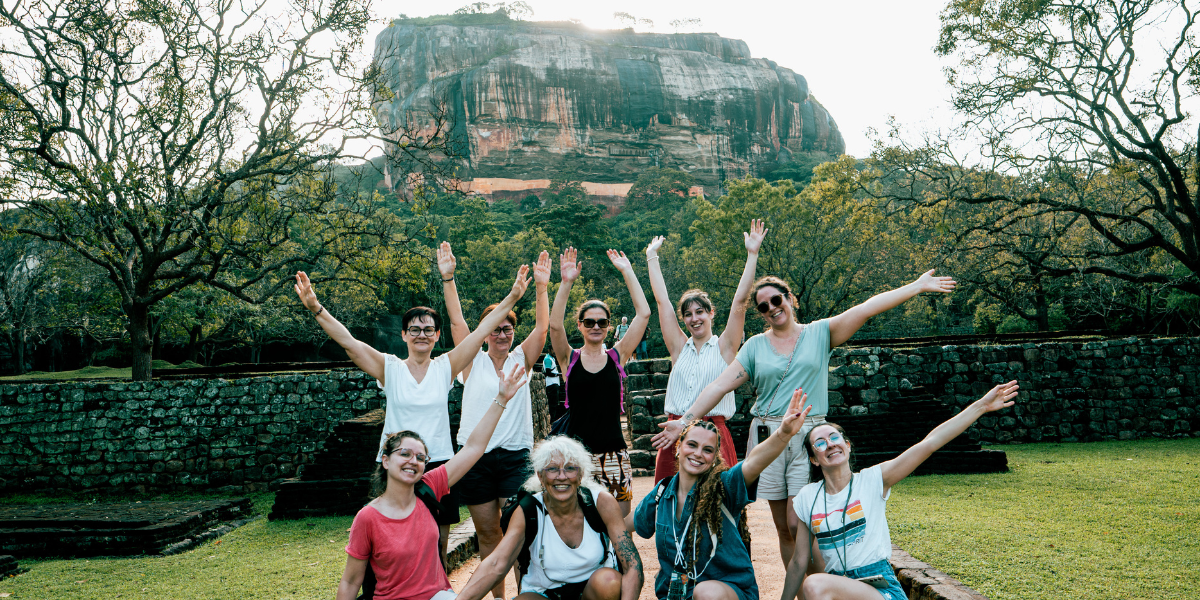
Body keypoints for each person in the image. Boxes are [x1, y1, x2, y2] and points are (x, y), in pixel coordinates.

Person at [652, 270, 957, 567]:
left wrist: (915, 287)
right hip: (768, 436)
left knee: (799, 523)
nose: (772, 308)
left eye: (776, 300)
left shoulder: (820, 333)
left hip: (808, 435)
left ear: (790, 299)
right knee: (783, 529)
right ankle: (801, 591)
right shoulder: (756, 346)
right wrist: (686, 420)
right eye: (763, 306)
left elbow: (867, 308)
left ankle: (819, 586)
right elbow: (719, 385)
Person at [294, 263, 532, 571]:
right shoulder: (389, 367)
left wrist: (513, 296)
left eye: (428, 330)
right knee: (392, 544)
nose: (422, 335)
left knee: (438, 546)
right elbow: (349, 343)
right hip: (396, 464)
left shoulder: (445, 366)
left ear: (436, 336)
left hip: (440, 465)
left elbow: (482, 332)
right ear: (404, 334)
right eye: (415, 330)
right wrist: (316, 308)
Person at [780, 381, 1019, 600]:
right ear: (814, 459)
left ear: (848, 446)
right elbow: (799, 561)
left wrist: (980, 406)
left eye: (835, 437)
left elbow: (929, 443)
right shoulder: (808, 498)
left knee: (814, 585)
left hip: (880, 589)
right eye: (820, 443)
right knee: (817, 585)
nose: (830, 444)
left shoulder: (874, 480)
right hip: (838, 586)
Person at [334, 363, 530, 600]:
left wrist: (501, 398)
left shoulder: (430, 487)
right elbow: (350, 580)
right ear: (385, 460)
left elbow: (474, 447)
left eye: (420, 457)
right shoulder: (368, 517)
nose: (413, 461)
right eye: (404, 454)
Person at [439, 242, 552, 600]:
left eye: (507, 328)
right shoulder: (472, 361)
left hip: (516, 456)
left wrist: (541, 287)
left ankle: (524, 595)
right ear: (485, 333)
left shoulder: (523, 358)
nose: (501, 334)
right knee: (489, 534)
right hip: (476, 458)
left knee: (518, 532)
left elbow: (544, 328)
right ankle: (499, 597)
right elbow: (458, 322)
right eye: (495, 329)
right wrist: (449, 279)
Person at [634, 388, 814, 600]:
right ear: (678, 447)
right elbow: (632, 524)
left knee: (706, 593)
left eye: (707, 449)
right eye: (692, 445)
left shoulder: (723, 486)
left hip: (726, 592)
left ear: (715, 457)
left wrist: (782, 434)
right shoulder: (662, 491)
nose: (698, 453)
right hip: (677, 594)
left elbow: (753, 462)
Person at [644, 219, 766, 484]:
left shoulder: (725, 347)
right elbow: (662, 303)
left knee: (717, 505)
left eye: (700, 311)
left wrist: (752, 254)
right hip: (675, 430)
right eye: (688, 314)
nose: (694, 318)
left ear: (711, 313)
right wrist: (651, 257)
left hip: (713, 431)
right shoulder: (679, 347)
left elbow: (740, 301)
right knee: (669, 502)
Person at [455, 436, 644, 600]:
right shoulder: (528, 509)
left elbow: (633, 564)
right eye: (552, 469)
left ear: (581, 475)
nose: (561, 477)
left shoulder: (601, 502)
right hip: (544, 592)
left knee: (609, 582)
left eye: (570, 468)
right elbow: (497, 563)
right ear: (540, 476)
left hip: (593, 591)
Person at [549, 246, 651, 516]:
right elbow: (555, 325)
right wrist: (566, 283)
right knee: (577, 520)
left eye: (602, 322)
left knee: (619, 521)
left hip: (614, 453)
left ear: (608, 326)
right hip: (575, 457)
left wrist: (628, 271)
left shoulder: (618, 356)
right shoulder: (568, 359)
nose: (596, 326)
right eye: (589, 322)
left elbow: (643, 314)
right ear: (580, 325)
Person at [544, 353, 564, 422]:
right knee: (553, 404)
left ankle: (553, 420)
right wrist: (558, 374)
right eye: (552, 350)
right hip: (551, 384)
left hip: (554, 383)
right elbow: (548, 372)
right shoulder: (548, 359)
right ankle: (552, 421)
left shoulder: (552, 358)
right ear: (549, 350)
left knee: (555, 403)